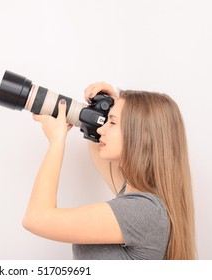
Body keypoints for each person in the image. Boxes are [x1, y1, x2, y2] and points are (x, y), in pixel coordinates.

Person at [22, 82, 196, 260]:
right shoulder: (136, 195)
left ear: (140, 134)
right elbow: (97, 143)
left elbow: (36, 218)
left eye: (112, 123)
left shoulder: (142, 210)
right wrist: (109, 109)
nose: (101, 128)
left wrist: (57, 142)